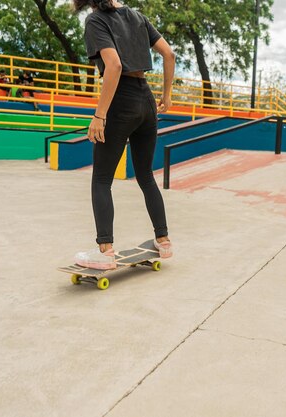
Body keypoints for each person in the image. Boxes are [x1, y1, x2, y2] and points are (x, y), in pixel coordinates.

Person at [72, 0, 176, 269]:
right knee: (145, 176)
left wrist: (99, 115)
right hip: (146, 99)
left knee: (102, 180)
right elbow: (169, 54)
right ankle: (163, 242)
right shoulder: (138, 16)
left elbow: (114, 66)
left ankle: (105, 252)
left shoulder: (96, 20)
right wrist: (166, 95)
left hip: (121, 101)